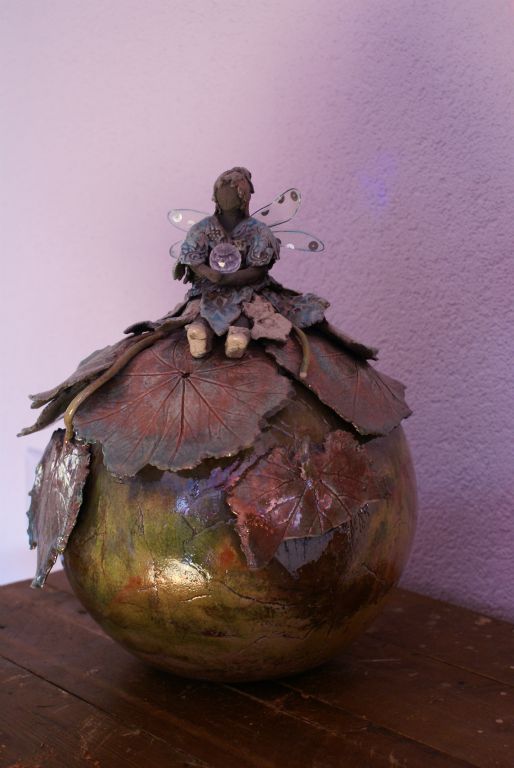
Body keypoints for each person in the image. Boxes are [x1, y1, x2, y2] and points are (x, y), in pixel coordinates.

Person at [175, 167, 280, 358]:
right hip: (209, 285)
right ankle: (200, 330)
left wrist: (230, 278)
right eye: (221, 192)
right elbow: (192, 258)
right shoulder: (202, 228)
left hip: (248, 286)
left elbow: (259, 269)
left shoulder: (259, 231)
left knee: (249, 308)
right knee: (202, 307)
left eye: (233, 193)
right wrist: (208, 272)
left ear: (244, 197)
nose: (226, 198)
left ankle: (239, 335)